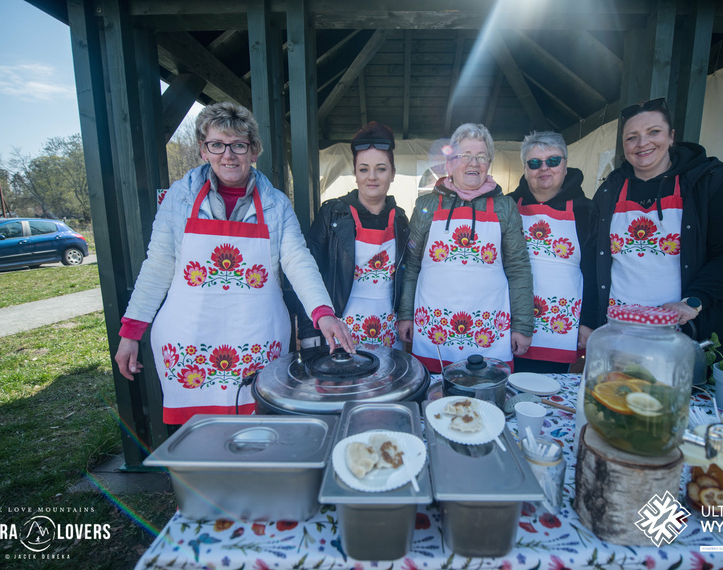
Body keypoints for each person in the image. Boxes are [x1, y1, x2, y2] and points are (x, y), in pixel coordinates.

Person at [113, 102, 354, 424]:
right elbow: (157, 266)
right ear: (203, 150)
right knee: (197, 436)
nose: (228, 155)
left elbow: (298, 260)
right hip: (188, 338)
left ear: (254, 151)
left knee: (257, 427)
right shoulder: (178, 200)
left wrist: (322, 313)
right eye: (217, 145)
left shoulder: (276, 204)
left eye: (239, 146)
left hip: (257, 335)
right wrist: (131, 331)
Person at [592, 98, 723, 343]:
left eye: (653, 132)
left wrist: (694, 302)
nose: (643, 143)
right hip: (619, 330)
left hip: (685, 331)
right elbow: (594, 258)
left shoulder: (709, 183)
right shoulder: (609, 190)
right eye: (632, 137)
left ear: (671, 136)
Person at [398, 123, 534, 372]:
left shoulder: (505, 207)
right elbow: (411, 264)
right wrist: (406, 314)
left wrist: (523, 325)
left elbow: (518, 269)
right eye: (465, 156)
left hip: (488, 332)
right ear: (449, 164)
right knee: (434, 400)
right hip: (434, 332)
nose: (474, 163)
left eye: (481, 157)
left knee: (485, 398)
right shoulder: (426, 204)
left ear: (488, 164)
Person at [298, 122, 410, 348]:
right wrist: (309, 331)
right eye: (363, 169)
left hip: (389, 333)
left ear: (393, 174)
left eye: (381, 168)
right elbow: (308, 273)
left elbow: (408, 276)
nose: (372, 177)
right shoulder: (331, 214)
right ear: (355, 173)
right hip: (339, 332)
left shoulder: (401, 220)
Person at [508, 131, 597, 373]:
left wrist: (588, 322)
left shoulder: (587, 211)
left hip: (561, 327)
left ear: (566, 165)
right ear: (525, 169)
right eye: (535, 163)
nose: (544, 169)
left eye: (553, 161)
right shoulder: (506, 207)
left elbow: (593, 272)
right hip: (508, 326)